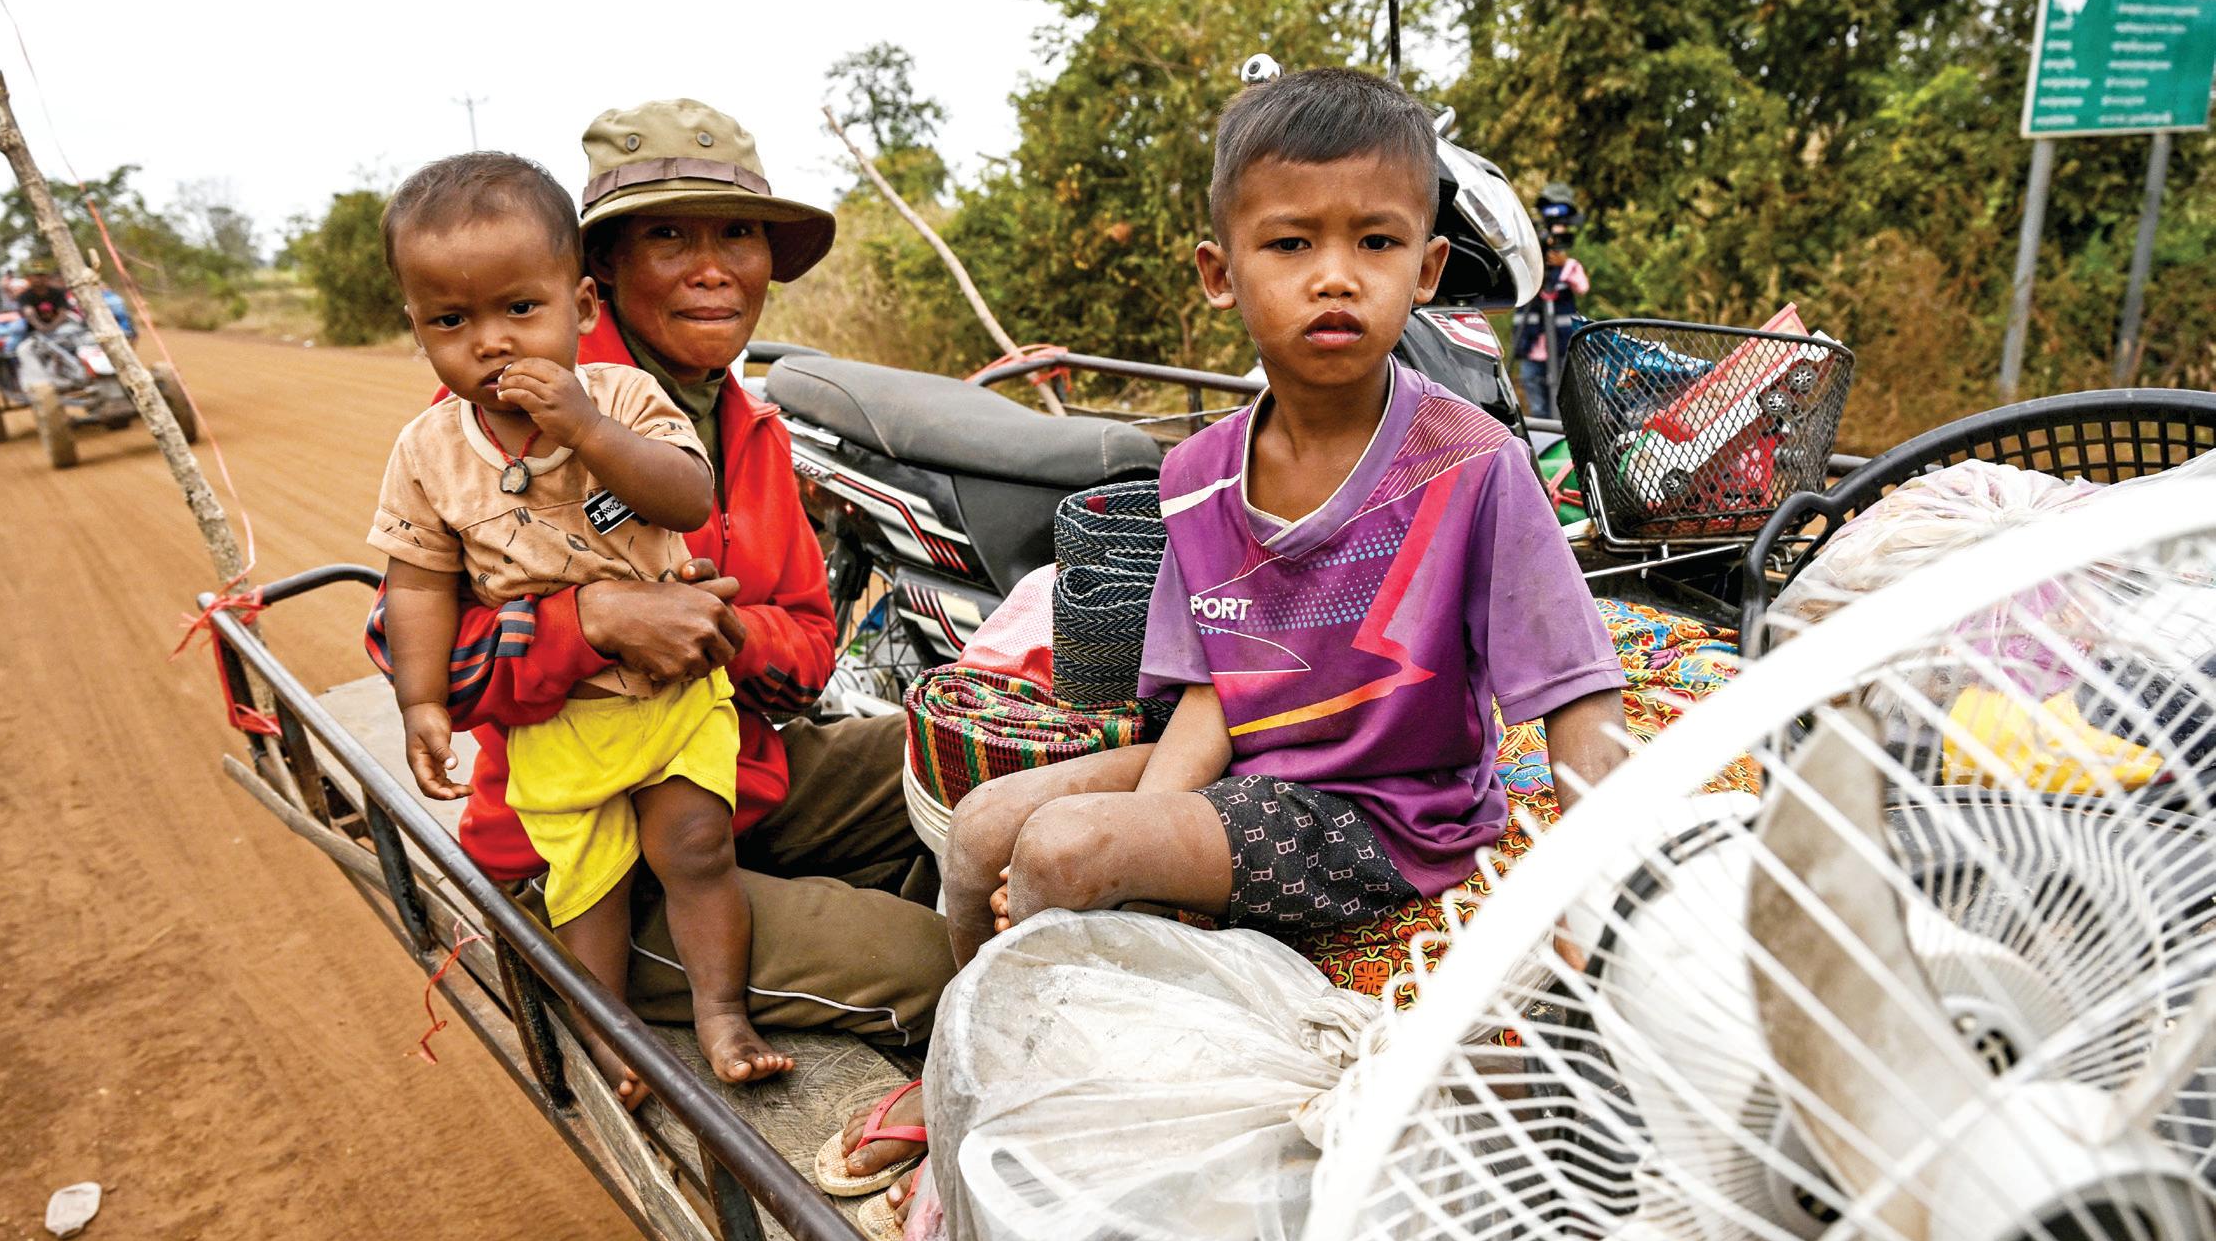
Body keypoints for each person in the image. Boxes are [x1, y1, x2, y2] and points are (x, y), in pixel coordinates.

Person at [943, 67, 1630, 972]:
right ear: (1220, 274)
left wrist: (1593, 890)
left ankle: (1045, 1054)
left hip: (1387, 812)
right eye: (1292, 244)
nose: (1335, 278)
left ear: (1425, 270)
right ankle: (961, 1052)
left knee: (1063, 848)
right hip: (1254, 769)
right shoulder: (1195, 478)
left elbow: (1577, 690)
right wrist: (1151, 824)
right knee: (984, 825)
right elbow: (1214, 689)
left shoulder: (1471, 463)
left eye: (1376, 242)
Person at [363, 103, 952, 1123]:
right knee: (936, 968)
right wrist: (596, 619)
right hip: (585, 847)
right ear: (598, 275)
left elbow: (808, 649)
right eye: (669, 235)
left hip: (718, 771)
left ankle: (806, 924)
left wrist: (724, 634)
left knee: (948, 756)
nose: (712, 266)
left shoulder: (751, 427)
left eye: (738, 234)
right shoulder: (487, 425)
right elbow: (415, 652)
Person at [368, 151, 787, 1090]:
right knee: (584, 880)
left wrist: (589, 431)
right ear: (419, 330)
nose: (491, 343)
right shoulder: (431, 450)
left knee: (695, 846)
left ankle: (723, 1015)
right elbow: (419, 585)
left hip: (674, 701)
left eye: (520, 310)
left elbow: (684, 499)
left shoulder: (630, 403)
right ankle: (609, 1033)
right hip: (556, 721)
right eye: (451, 320)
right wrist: (421, 703)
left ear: (580, 309)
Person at [1511, 184, 1588, 420]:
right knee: (1537, 406)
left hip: (1562, 348)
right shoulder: (1531, 268)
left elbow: (1582, 287)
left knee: (1566, 401)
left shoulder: (1570, 266)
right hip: (1531, 350)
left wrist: (1564, 265)